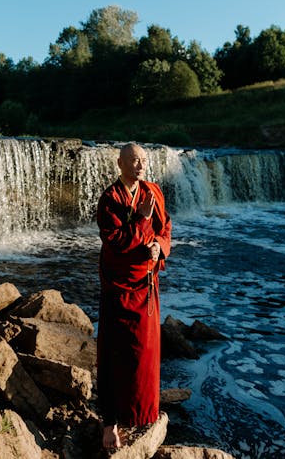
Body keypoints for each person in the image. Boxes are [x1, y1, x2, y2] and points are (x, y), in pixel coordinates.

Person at [96, 142, 172, 450]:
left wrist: (159, 247)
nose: (139, 165)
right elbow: (115, 243)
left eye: (142, 160)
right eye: (133, 160)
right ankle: (110, 424)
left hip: (146, 286)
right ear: (120, 163)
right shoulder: (109, 199)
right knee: (115, 355)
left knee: (144, 355)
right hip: (118, 288)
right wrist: (141, 220)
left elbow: (165, 228)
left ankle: (142, 415)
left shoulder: (153, 191)